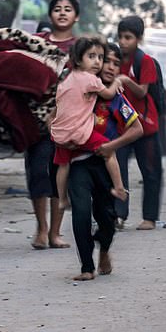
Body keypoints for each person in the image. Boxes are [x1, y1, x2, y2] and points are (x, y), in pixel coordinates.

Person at [68, 42, 143, 280]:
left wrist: (111, 145)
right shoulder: (81, 88)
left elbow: (137, 129)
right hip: (79, 161)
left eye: (115, 63)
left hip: (105, 163)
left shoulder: (116, 98)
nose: (109, 67)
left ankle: (105, 248)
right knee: (80, 211)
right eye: (105, 61)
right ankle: (86, 267)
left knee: (107, 219)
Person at [24, 0, 79, 250]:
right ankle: (41, 229)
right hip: (36, 121)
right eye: (57, 8)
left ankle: (56, 232)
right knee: (37, 174)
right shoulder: (36, 42)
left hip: (68, 123)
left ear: (76, 16)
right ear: (50, 15)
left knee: (60, 177)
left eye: (68, 9)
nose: (62, 12)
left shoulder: (81, 48)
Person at [51, 36, 127, 210]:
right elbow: (108, 94)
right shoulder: (90, 79)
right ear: (78, 59)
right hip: (79, 133)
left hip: (60, 134)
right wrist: (117, 81)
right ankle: (119, 188)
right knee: (109, 151)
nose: (97, 62)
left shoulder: (67, 79)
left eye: (100, 57)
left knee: (63, 165)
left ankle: (62, 199)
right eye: (91, 56)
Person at [115, 15, 163, 230]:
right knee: (118, 171)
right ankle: (119, 215)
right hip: (122, 126)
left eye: (128, 37)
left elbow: (143, 90)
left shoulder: (144, 62)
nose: (123, 42)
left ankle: (149, 218)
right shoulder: (114, 61)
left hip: (145, 125)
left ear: (138, 39)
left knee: (151, 171)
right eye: (121, 37)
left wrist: (126, 80)